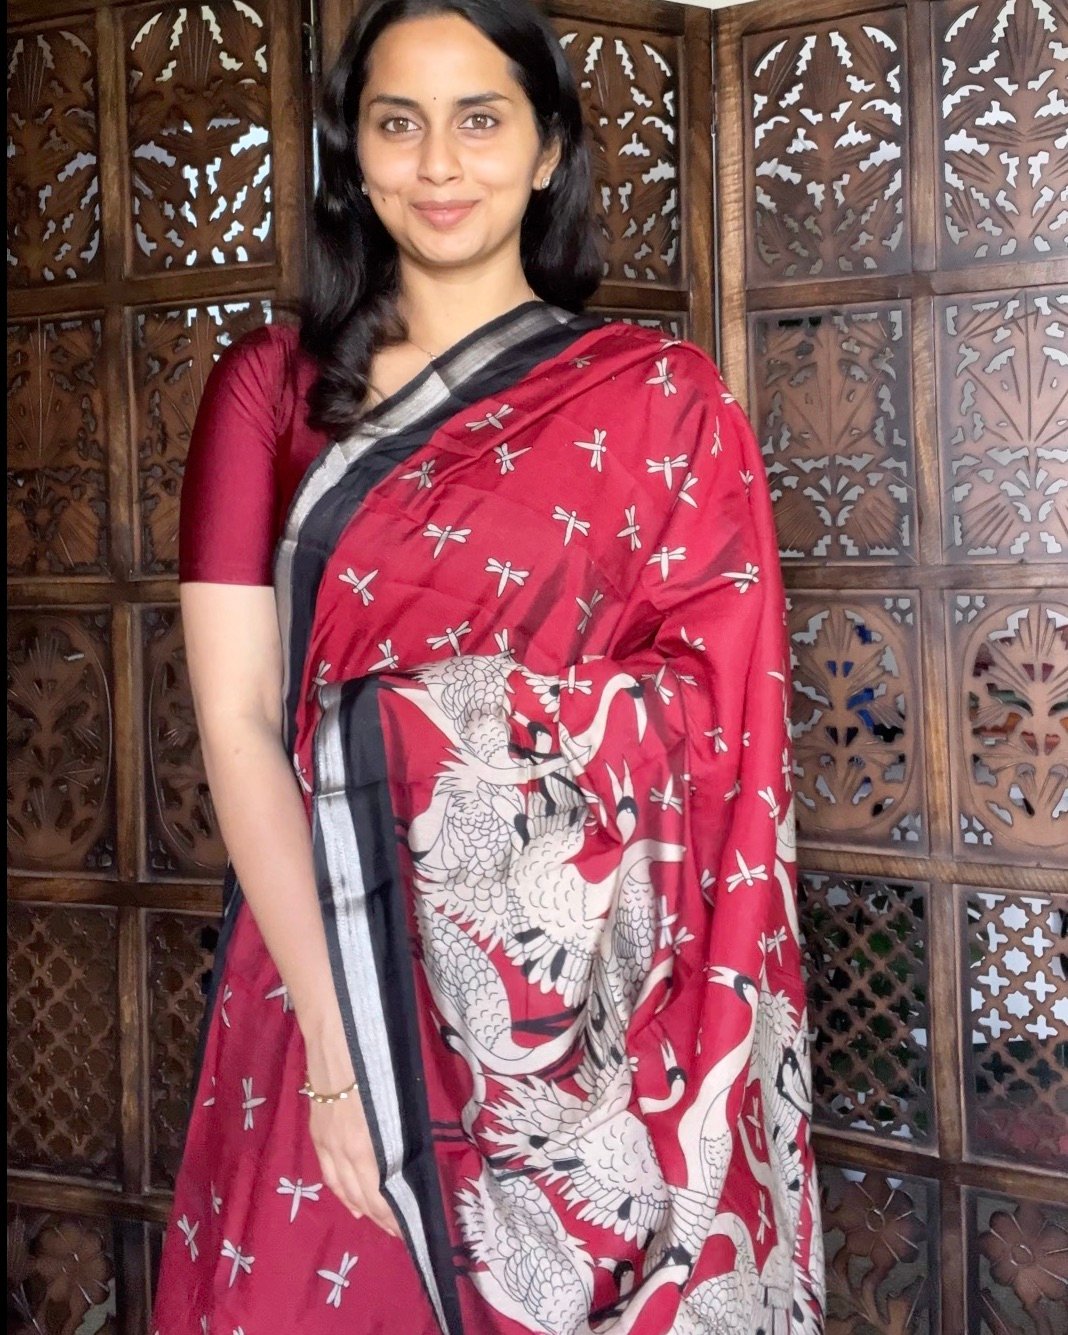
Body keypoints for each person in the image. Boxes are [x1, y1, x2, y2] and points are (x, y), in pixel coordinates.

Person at [152, 1, 824, 1331]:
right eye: (397, 125)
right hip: (328, 962)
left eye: (480, 119)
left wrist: (434, 729)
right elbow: (236, 721)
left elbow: (718, 719)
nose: (440, 164)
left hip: (575, 1018)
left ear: (547, 146)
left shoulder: (662, 400)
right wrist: (339, 1048)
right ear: (354, 156)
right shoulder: (272, 390)